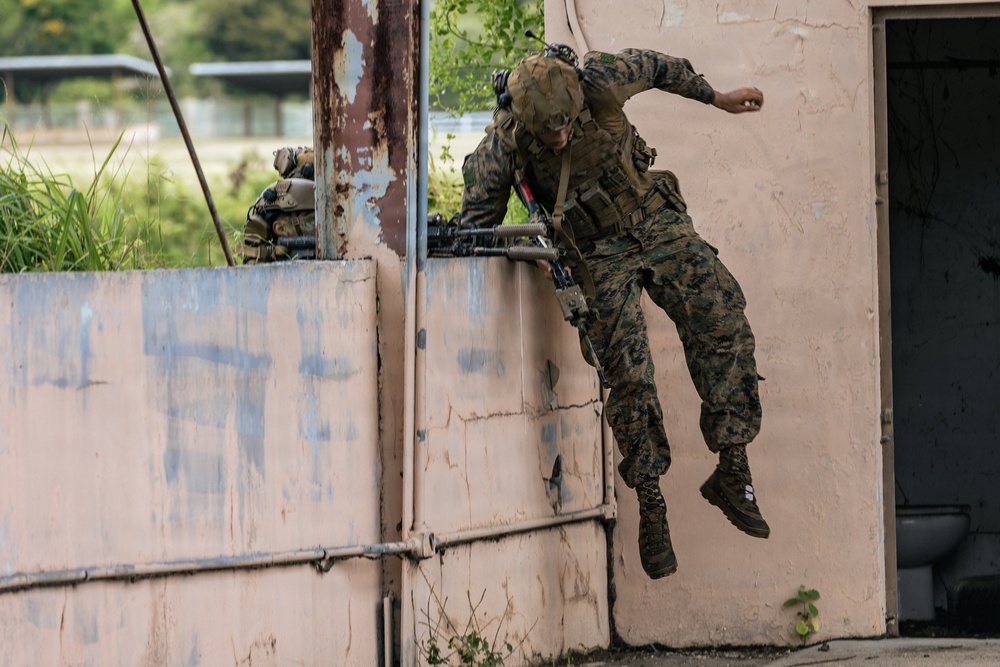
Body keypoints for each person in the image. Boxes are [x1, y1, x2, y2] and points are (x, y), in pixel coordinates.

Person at [458, 43, 769, 579]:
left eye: (566, 125)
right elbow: (476, 225)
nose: (559, 137)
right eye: (548, 132)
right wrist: (524, 253)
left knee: (721, 317)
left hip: (652, 218)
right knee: (629, 377)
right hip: (593, 253)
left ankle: (733, 464)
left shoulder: (601, 78)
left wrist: (716, 98)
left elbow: (663, 67)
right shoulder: (504, 142)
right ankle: (652, 503)